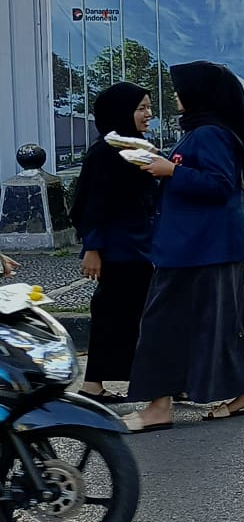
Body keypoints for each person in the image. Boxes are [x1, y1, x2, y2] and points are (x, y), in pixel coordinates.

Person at [123, 62, 244, 432]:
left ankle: (158, 407)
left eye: (181, 88)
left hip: (197, 247)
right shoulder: (206, 131)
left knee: (162, 324)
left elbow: (219, 185)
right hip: (204, 245)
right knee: (221, 321)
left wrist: (170, 170)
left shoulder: (209, 134)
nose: (175, 94)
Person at [69, 83, 159, 403]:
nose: (148, 114)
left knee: (137, 316)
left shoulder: (134, 147)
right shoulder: (105, 152)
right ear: (121, 111)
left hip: (140, 246)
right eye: (141, 108)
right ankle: (93, 384)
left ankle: (156, 381)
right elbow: (92, 204)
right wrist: (92, 248)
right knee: (113, 315)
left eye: (148, 107)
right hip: (118, 249)